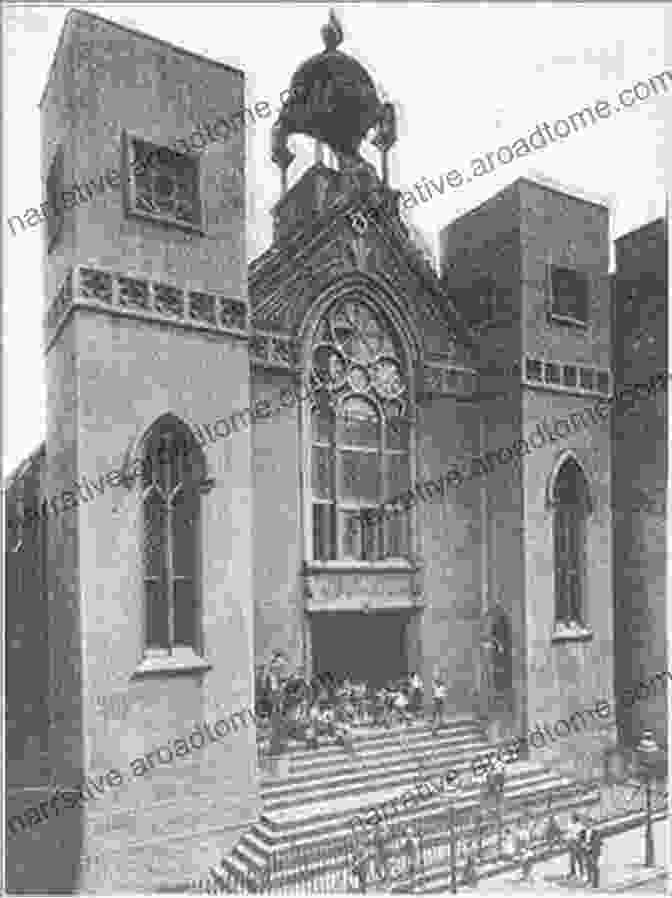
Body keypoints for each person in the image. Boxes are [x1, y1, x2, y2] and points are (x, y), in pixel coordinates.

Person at [566, 813, 584, 880]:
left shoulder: (579, 826)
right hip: (572, 843)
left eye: (572, 818)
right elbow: (569, 833)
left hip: (577, 844)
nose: (571, 819)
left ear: (575, 819)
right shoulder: (571, 825)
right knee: (572, 860)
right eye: (571, 818)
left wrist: (575, 838)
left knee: (579, 859)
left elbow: (580, 835)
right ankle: (573, 873)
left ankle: (581, 873)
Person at [432, 669, 446, 733]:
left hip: (439, 699)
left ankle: (438, 725)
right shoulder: (437, 686)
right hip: (438, 699)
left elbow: (442, 693)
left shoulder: (439, 686)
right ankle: (435, 728)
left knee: (439, 713)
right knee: (437, 713)